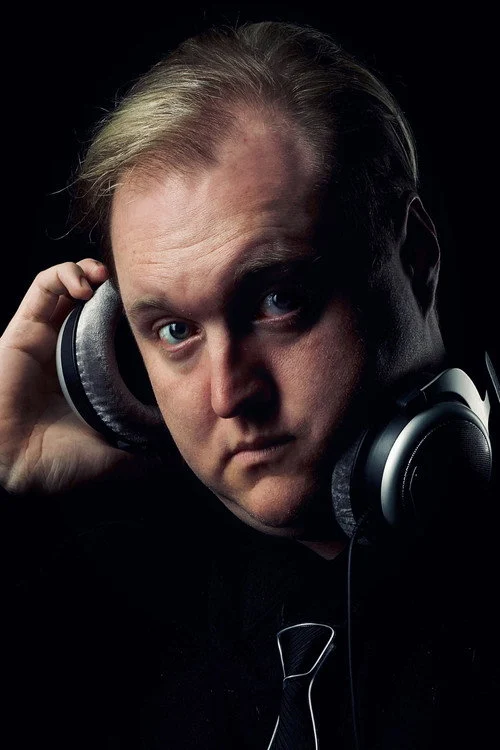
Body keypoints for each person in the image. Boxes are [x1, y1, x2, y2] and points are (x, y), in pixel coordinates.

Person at [1, 20, 497, 750]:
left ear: (417, 256)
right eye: (175, 330)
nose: (229, 394)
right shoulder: (101, 623)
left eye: (277, 300)